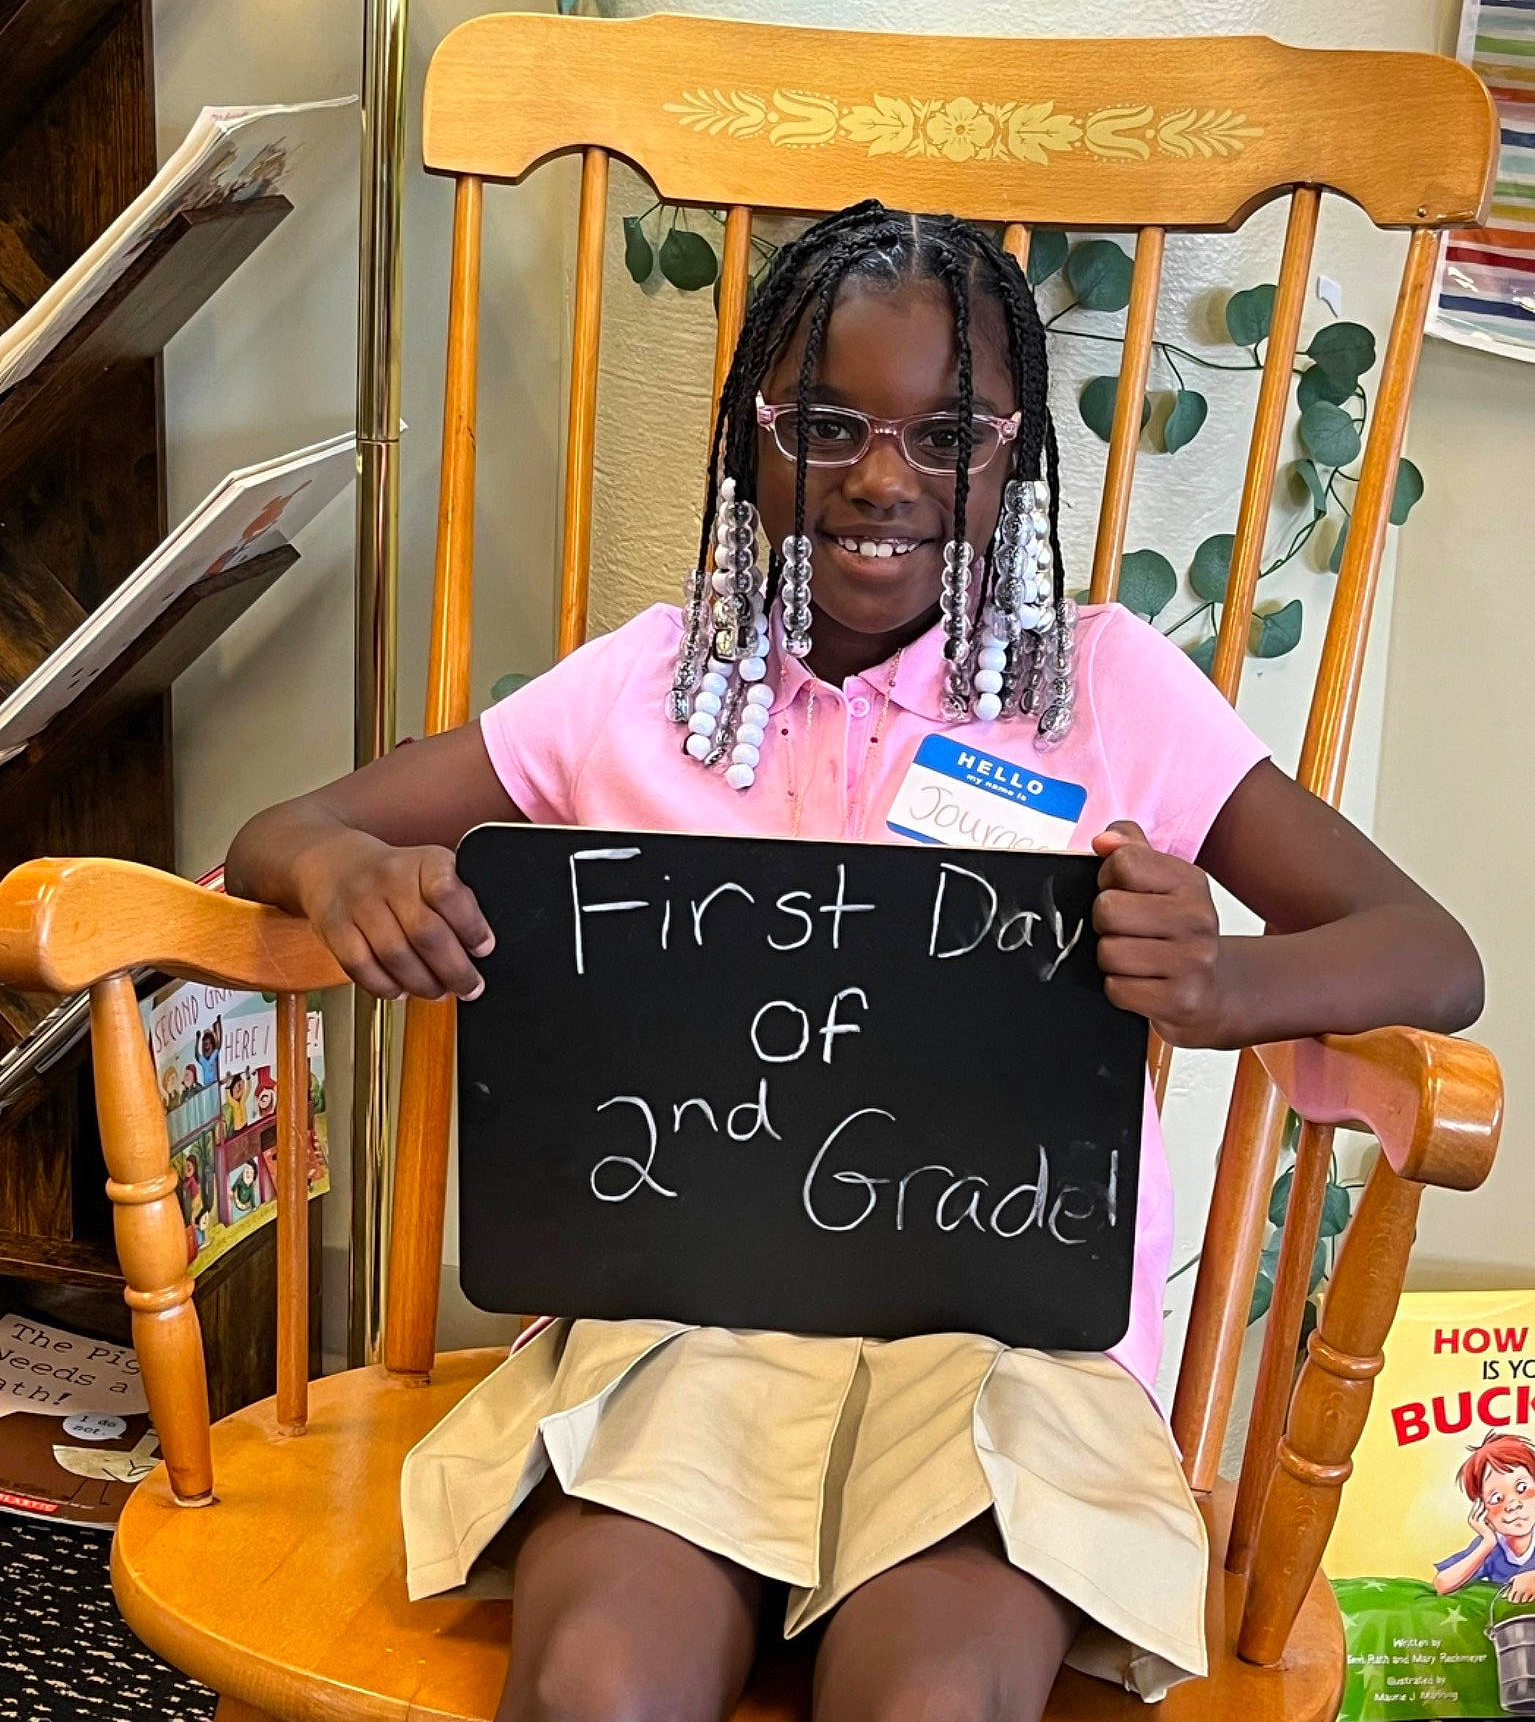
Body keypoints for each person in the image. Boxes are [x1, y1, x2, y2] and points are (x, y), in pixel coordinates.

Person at [226, 203, 1483, 1722]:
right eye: (822, 426)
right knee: (594, 1686)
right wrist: (342, 868)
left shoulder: (1102, 691)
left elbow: (1428, 956)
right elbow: (283, 830)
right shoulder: (641, 688)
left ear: (1011, 452)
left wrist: (1222, 989)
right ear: (752, 441)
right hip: (678, 1320)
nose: (881, 478)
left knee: (926, 1704)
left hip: (1008, 1348)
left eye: (944, 438)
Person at [1435, 1434, 1535, 1600]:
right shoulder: (1493, 1546)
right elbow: (1442, 1584)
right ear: (1482, 1510)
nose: (1512, 1505)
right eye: (1496, 1498)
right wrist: (1487, 1543)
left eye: (1522, 1488)